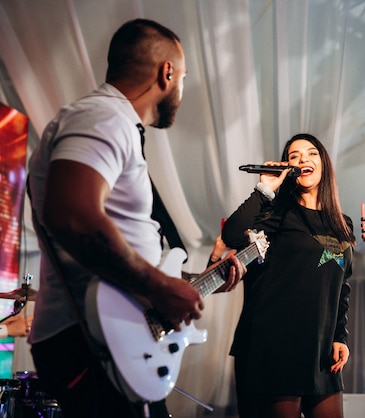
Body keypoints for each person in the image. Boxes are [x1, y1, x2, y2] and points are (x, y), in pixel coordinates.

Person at [27, 19, 246, 418]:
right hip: (91, 341)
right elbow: (72, 216)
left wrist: (186, 283)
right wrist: (160, 286)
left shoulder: (109, 122)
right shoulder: (103, 118)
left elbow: (107, 250)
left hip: (111, 336)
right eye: (182, 77)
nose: (181, 89)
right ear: (166, 72)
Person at [221, 133, 355, 418]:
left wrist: (339, 335)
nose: (303, 159)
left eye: (311, 153)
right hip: (277, 345)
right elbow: (232, 235)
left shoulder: (343, 224)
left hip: (320, 348)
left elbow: (341, 286)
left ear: (324, 164)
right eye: (294, 156)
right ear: (288, 168)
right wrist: (264, 188)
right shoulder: (275, 214)